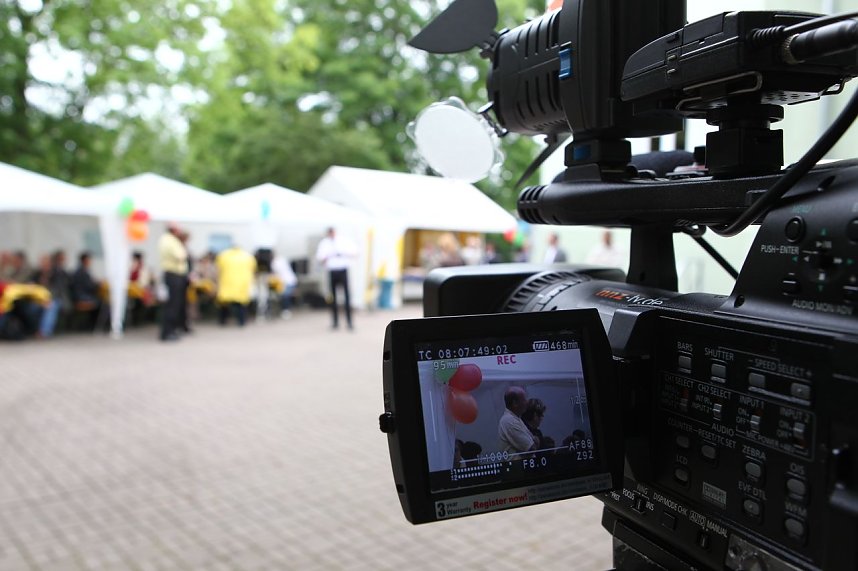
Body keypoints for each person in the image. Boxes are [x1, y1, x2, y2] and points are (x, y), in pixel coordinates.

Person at [315, 227, 356, 330]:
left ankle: (349, 321)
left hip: (343, 270)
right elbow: (320, 257)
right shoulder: (324, 243)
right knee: (333, 298)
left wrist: (342, 253)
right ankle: (335, 321)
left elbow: (354, 252)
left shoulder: (343, 241)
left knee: (347, 297)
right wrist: (328, 256)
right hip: (332, 271)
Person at [158, 223, 188, 341]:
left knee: (175, 305)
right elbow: (180, 256)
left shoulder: (168, 240)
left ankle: (172, 329)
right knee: (172, 305)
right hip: (174, 275)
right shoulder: (170, 241)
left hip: (175, 275)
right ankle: (167, 332)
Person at [215, 242, 257, 326]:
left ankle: (222, 321)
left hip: (227, 282)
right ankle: (241, 322)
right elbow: (254, 269)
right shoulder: (248, 256)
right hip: (242, 283)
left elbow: (218, 268)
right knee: (241, 304)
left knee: (224, 304)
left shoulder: (223, 255)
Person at [498, 386, 538, 456]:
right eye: (524, 399)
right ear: (515, 403)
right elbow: (531, 448)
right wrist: (535, 441)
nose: (527, 402)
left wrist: (534, 441)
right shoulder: (509, 421)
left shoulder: (515, 418)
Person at [271, 253, 298, 319]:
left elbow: (276, 274)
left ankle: (286, 311)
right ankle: (285, 310)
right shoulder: (282, 259)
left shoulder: (275, 263)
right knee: (285, 296)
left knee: (285, 296)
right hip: (289, 280)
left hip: (286, 281)